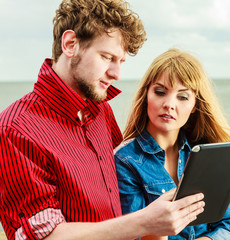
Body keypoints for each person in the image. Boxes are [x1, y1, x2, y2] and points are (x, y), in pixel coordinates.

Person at [0, 1, 205, 240]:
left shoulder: (100, 110)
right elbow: (43, 236)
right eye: (107, 57)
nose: (116, 74)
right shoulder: (15, 129)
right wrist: (144, 221)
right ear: (70, 44)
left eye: (120, 62)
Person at [114, 48, 230, 240]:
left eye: (182, 96)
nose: (169, 104)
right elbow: (132, 235)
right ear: (146, 95)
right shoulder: (125, 161)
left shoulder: (206, 155)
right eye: (160, 92)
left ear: (194, 106)